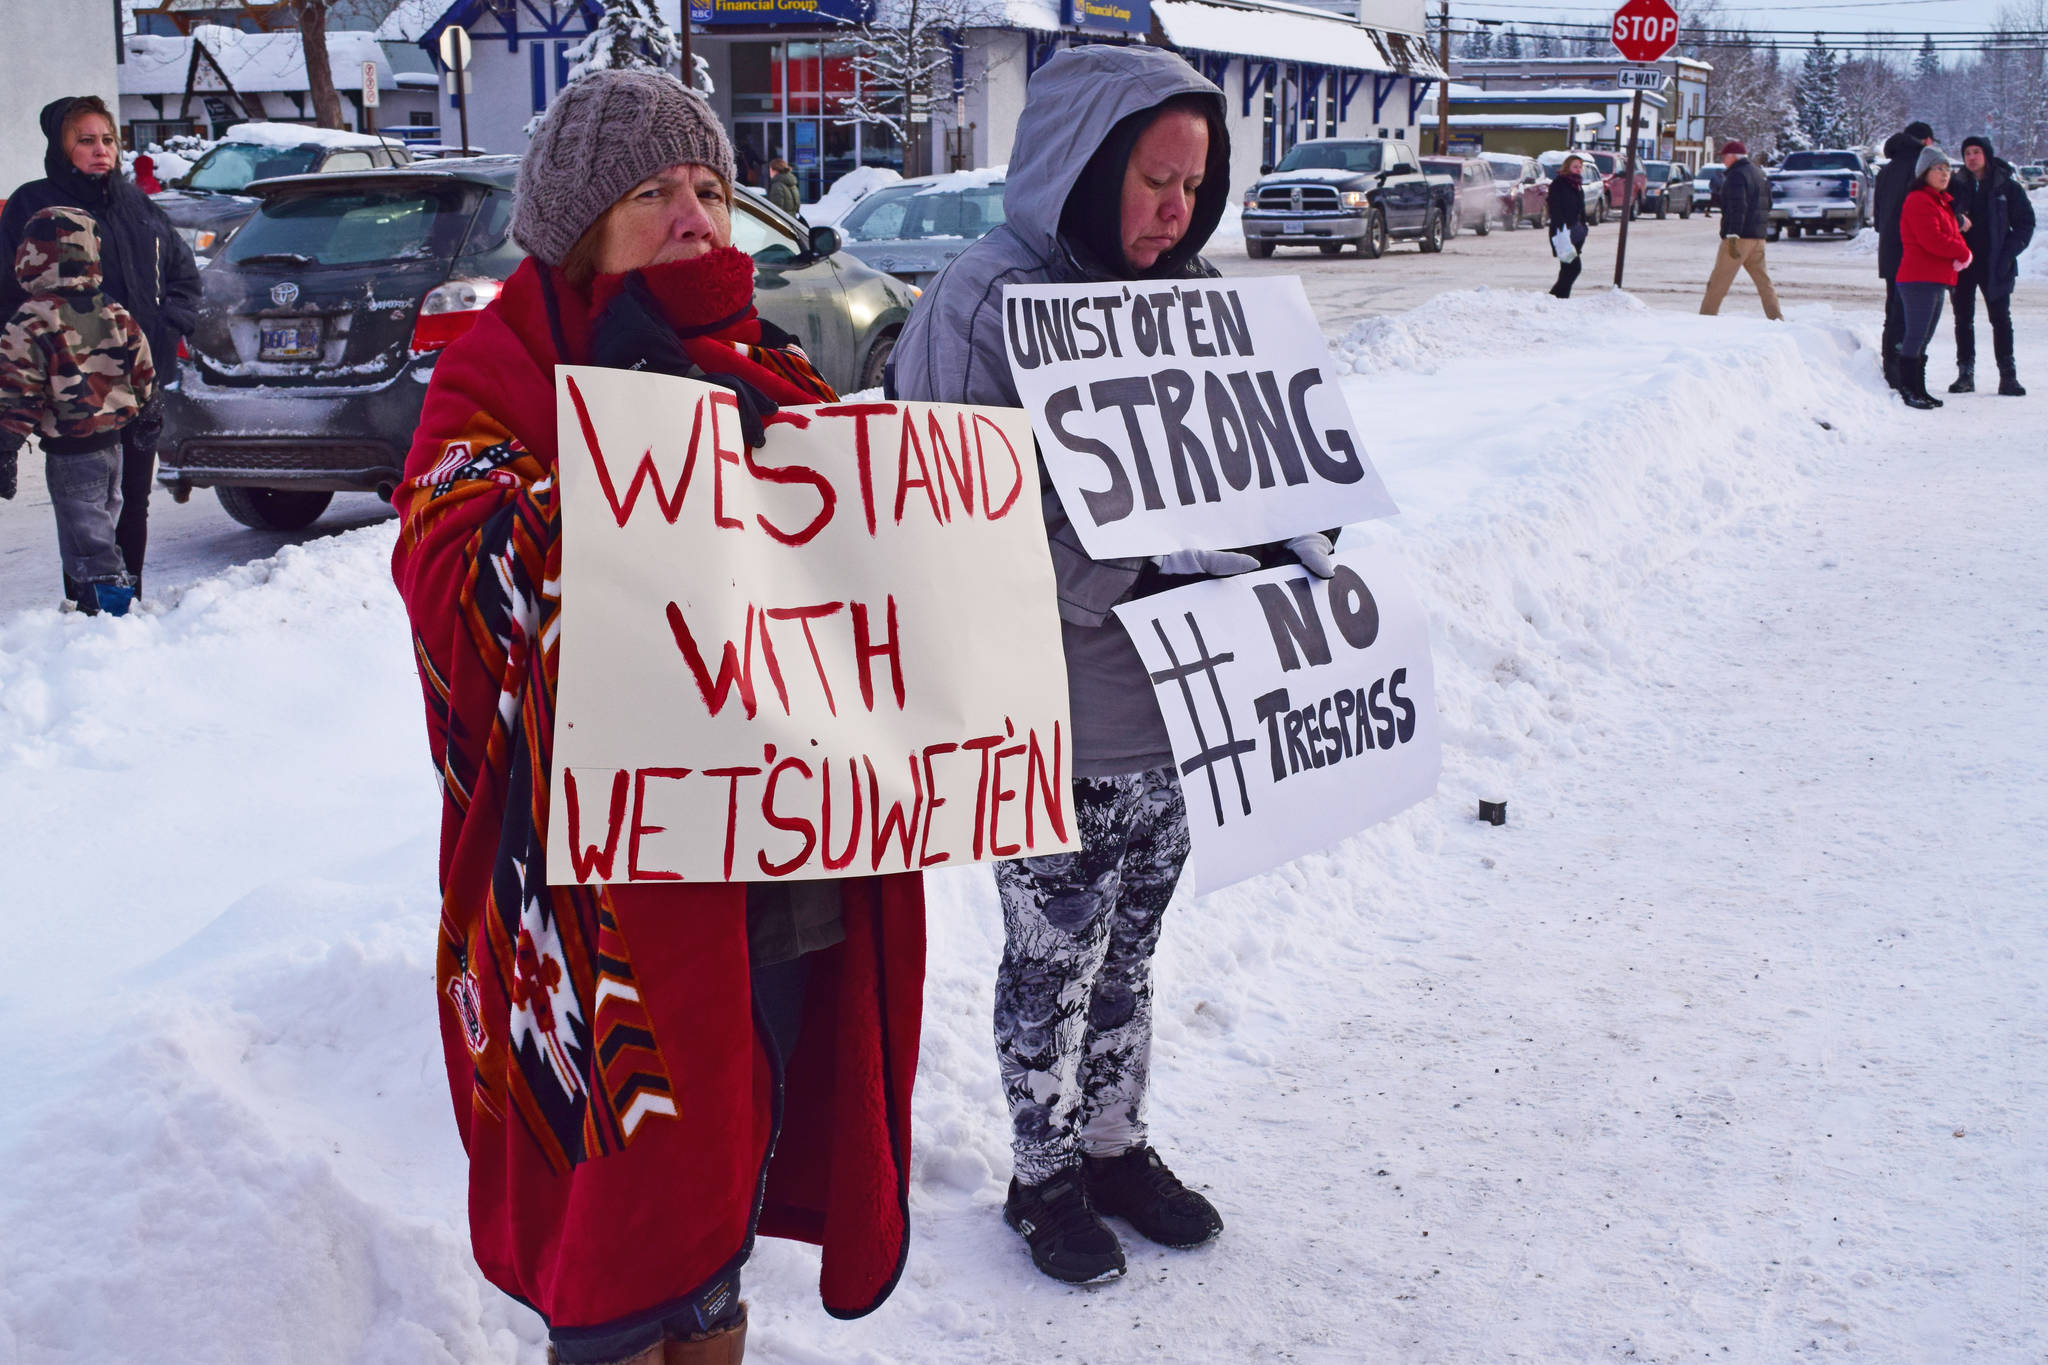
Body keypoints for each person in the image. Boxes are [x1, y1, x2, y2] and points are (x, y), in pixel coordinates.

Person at [389, 70, 927, 1365]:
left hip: (777, 886)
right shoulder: (501, 367)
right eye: (652, 192)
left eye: (708, 187)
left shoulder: (771, 366)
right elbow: (452, 583)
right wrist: (627, 479)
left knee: (716, 1229)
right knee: (623, 1254)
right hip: (598, 928)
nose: (695, 215)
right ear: (581, 223)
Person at [893, 44, 1338, 1287]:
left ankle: (1112, 1142)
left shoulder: (1189, 296)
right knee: (1052, 953)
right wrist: (1123, 579)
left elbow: (1237, 471)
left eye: (1193, 188)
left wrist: (1290, 527)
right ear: (1087, 168)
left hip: (1177, 703)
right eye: (1152, 179)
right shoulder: (983, 300)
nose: (1172, 210)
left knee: (1132, 946)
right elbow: (950, 512)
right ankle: (1042, 1175)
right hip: (1048, 715)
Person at [0, 96, 198, 605]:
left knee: (133, 500)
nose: (100, 150)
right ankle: (93, 610)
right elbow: (7, 291)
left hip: (138, 377)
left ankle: (127, 605)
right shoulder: (34, 205)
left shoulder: (137, 205)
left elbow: (183, 274)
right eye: (85, 140)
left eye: (108, 139)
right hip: (73, 387)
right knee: (86, 505)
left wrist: (168, 324)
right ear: (62, 147)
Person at [0, 207, 156, 617]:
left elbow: (18, 392)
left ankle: (109, 614)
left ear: (30, 255)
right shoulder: (112, 309)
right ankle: (109, 605)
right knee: (106, 522)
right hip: (114, 447)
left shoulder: (32, 320)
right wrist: (148, 411)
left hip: (72, 452)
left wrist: (6, 446)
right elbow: (143, 368)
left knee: (87, 537)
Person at [1945, 135, 2035, 396]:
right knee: (1963, 319)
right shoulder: (1955, 185)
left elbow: (2025, 224)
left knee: (2001, 320)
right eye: (1967, 153)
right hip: (1962, 262)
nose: (1971, 157)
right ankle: (1965, 374)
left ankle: (2008, 376)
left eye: (1976, 152)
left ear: (1986, 154)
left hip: (1996, 262)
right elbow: (1942, 215)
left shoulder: (2006, 186)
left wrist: (2008, 253)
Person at [1894, 145, 1972, 410]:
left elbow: (1951, 234)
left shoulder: (1940, 201)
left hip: (1937, 277)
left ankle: (1920, 388)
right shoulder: (1918, 199)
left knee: (1925, 337)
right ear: (1924, 172)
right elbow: (1933, 240)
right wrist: (1962, 251)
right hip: (1918, 278)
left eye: (1947, 169)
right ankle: (1908, 389)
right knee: (1916, 335)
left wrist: (1959, 247)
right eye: (1938, 169)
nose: (1945, 174)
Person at [1875, 121, 1935, 390]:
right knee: (1915, 314)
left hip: (1889, 249)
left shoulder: (1886, 171)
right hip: (1914, 251)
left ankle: (1890, 366)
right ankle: (1904, 373)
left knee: (1894, 310)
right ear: (1926, 141)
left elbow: (1876, 219)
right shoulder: (1921, 169)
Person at [1700, 140, 1782, 319]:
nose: (1723, 161)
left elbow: (1738, 207)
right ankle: (1776, 317)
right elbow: (1768, 203)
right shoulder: (1759, 173)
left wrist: (1733, 235)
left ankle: (1706, 318)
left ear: (1733, 157)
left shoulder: (1736, 176)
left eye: (1725, 157)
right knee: (1763, 282)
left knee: (1718, 282)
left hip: (1738, 238)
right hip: (1758, 237)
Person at [1546, 152, 1589, 298]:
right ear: (1567, 167)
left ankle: (1560, 299)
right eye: (1575, 166)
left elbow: (1580, 209)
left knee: (1567, 269)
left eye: (1580, 167)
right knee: (1573, 267)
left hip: (1576, 233)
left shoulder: (1577, 185)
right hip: (1563, 232)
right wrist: (1562, 227)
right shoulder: (1559, 184)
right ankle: (1554, 297)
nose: (1578, 169)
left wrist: (1583, 226)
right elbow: (1555, 208)